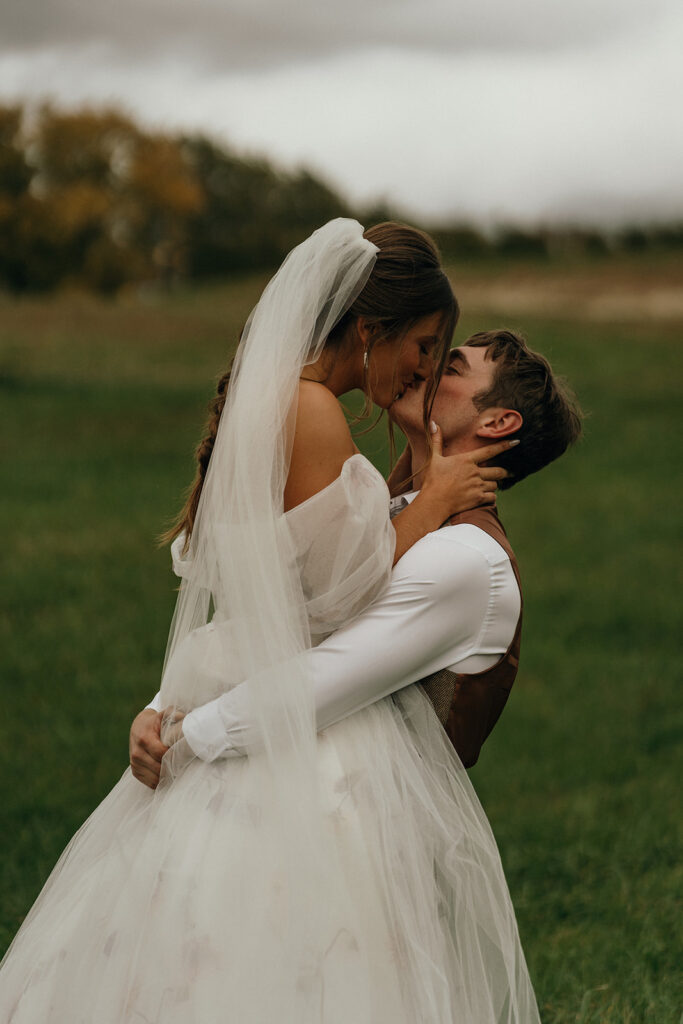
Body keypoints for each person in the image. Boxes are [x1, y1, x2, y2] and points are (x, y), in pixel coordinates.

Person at [0, 220, 537, 1023]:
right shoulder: (311, 412)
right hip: (298, 746)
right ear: (368, 329)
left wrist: (170, 704)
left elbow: (278, 594)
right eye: (426, 345)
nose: (423, 366)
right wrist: (428, 505)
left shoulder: (282, 402)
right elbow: (336, 607)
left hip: (248, 698)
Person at [132, 329, 582, 776]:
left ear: (497, 423)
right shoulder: (389, 513)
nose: (422, 366)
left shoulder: (466, 560)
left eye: (450, 367)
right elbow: (277, 618)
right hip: (266, 772)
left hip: (347, 815)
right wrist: (163, 708)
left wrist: (183, 736)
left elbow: (318, 680)